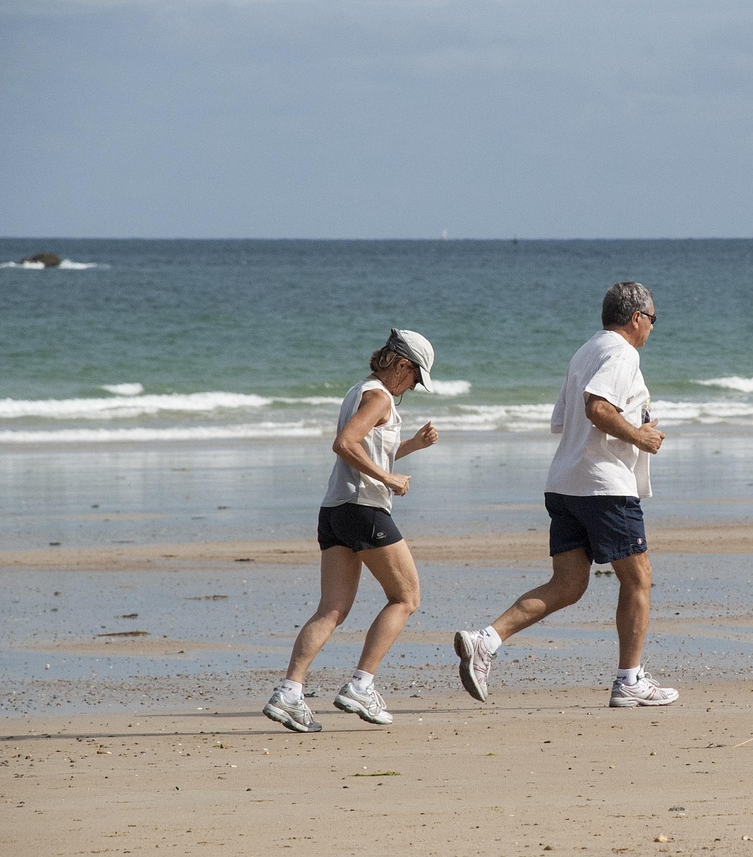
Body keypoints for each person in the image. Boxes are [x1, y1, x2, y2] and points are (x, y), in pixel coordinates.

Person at [454, 281, 678, 708]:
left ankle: (486, 641)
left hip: (565, 483)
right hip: (603, 485)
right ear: (636, 318)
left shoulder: (586, 350)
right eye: (653, 319)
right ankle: (629, 680)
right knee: (639, 578)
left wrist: (634, 420)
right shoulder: (622, 352)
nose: (652, 328)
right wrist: (639, 436)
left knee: (570, 583)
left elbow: (563, 419)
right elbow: (597, 408)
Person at [262, 329, 439, 732]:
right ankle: (361, 685)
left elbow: (368, 446)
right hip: (365, 510)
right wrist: (391, 480)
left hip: (335, 510)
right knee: (406, 597)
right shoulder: (379, 397)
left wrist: (411, 445)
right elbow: (344, 443)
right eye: (415, 378)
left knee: (331, 609)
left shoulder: (360, 391)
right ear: (402, 365)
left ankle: (289, 692)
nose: (412, 386)